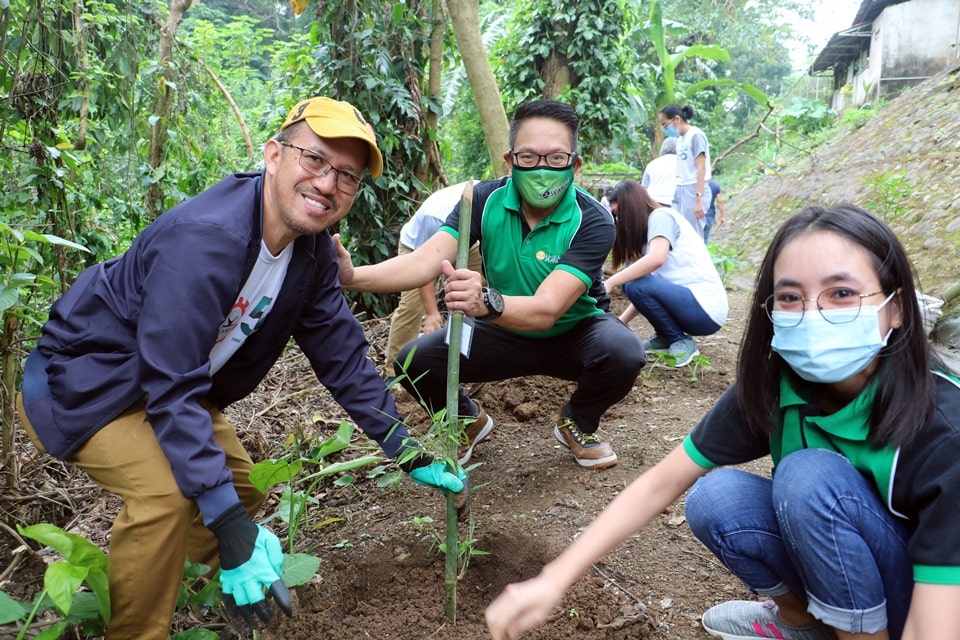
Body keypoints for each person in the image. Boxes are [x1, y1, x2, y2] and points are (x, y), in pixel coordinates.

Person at [16, 96, 465, 640]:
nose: (327, 184)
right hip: (85, 382)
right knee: (168, 496)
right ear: (274, 155)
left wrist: (402, 445)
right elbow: (172, 384)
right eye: (315, 160)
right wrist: (228, 528)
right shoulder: (207, 238)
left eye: (346, 176)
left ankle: (196, 581)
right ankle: (139, 629)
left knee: (242, 491)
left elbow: (342, 356)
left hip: (168, 383)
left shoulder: (313, 252)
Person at [485, 203, 960, 640]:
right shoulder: (777, 385)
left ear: (895, 307)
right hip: (855, 575)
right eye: (791, 297)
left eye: (841, 293)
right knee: (718, 497)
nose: (812, 314)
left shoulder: (943, 426)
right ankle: (805, 621)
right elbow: (660, 484)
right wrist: (554, 579)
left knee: (809, 476)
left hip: (931, 599)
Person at [338, 99, 646, 470]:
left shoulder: (594, 220)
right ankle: (469, 422)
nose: (542, 169)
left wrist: (485, 300)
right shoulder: (482, 201)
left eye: (556, 158)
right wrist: (351, 277)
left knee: (624, 352)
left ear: (575, 165)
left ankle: (578, 421)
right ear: (510, 159)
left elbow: (548, 310)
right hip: (502, 330)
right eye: (529, 158)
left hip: (575, 332)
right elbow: (423, 262)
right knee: (413, 362)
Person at [603, 180, 727, 367]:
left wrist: (611, 282)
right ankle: (666, 337)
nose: (620, 221)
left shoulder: (661, 217)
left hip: (704, 308)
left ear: (632, 207)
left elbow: (656, 259)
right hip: (689, 307)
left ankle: (680, 340)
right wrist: (619, 324)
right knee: (633, 282)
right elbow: (644, 295)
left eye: (619, 214)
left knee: (632, 281)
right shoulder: (649, 237)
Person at [384, 182, 482, 380]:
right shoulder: (435, 215)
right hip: (417, 250)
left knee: (480, 295)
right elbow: (422, 269)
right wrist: (431, 314)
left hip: (468, 242)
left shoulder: (492, 199)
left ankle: (466, 359)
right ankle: (395, 373)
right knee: (412, 306)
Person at [658, 103, 711, 238]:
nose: (664, 129)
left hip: (693, 188)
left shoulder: (696, 136)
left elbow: (701, 168)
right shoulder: (679, 140)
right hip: (680, 188)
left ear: (677, 119)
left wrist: (698, 199)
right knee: (680, 231)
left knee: (693, 234)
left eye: (665, 125)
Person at [640, 136, 678, 207]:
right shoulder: (682, 163)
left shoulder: (652, 164)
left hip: (653, 202)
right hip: (675, 203)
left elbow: (644, 188)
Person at [703, 177, 727, 243]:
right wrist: (723, 217)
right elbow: (720, 201)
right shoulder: (715, 184)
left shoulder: (696, 184)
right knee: (705, 239)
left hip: (697, 215)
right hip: (709, 216)